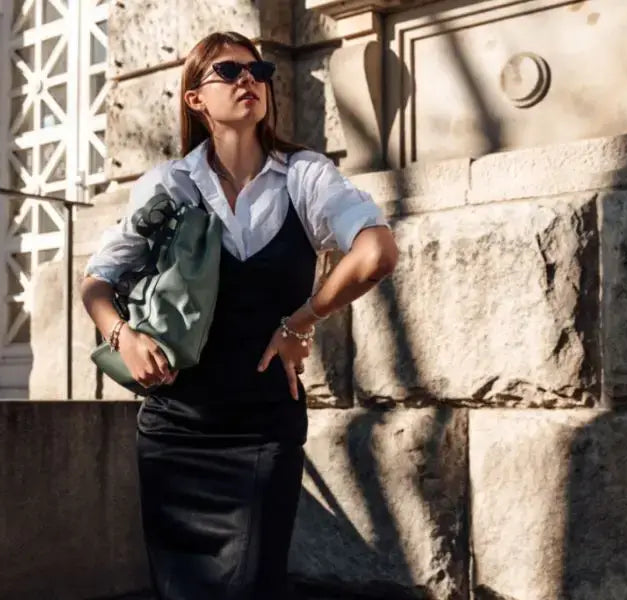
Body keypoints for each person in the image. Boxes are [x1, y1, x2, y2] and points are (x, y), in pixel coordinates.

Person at [80, 31, 398, 600]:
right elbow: (98, 284)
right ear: (195, 99)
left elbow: (376, 254)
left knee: (254, 586)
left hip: (263, 429)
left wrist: (302, 319)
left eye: (259, 71)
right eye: (228, 72)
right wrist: (122, 336)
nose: (249, 80)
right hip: (176, 429)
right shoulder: (168, 185)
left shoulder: (304, 176)